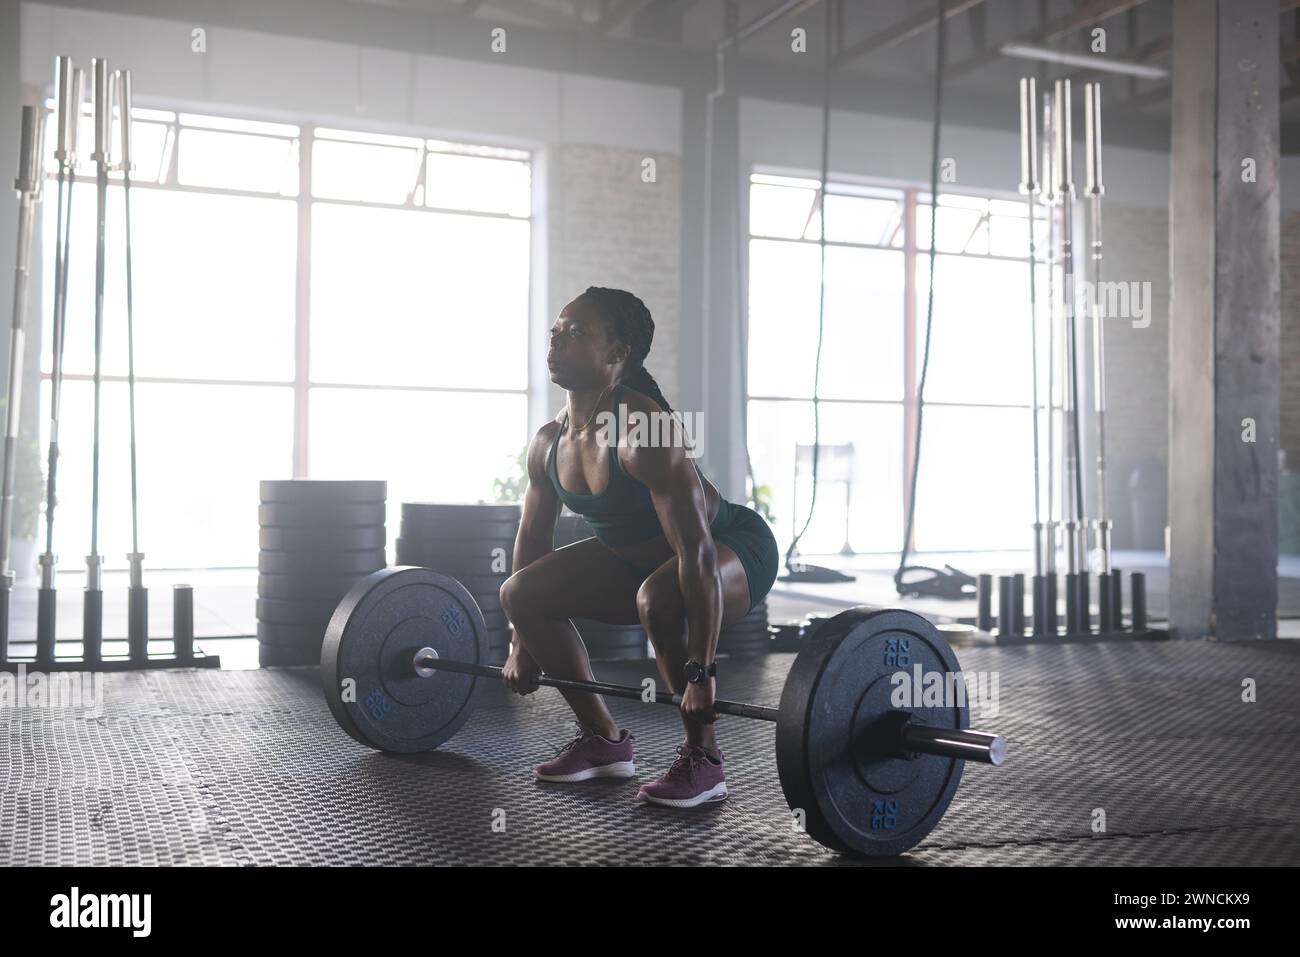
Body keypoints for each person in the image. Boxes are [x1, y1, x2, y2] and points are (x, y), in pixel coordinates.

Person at [499, 286, 779, 808]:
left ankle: (706, 760)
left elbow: (695, 551)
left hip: (731, 549)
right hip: (646, 561)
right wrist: (521, 642)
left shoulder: (642, 431)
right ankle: (603, 742)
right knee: (521, 594)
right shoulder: (547, 442)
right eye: (557, 330)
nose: (557, 341)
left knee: (658, 596)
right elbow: (532, 538)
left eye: (577, 332)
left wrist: (701, 674)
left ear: (616, 353)